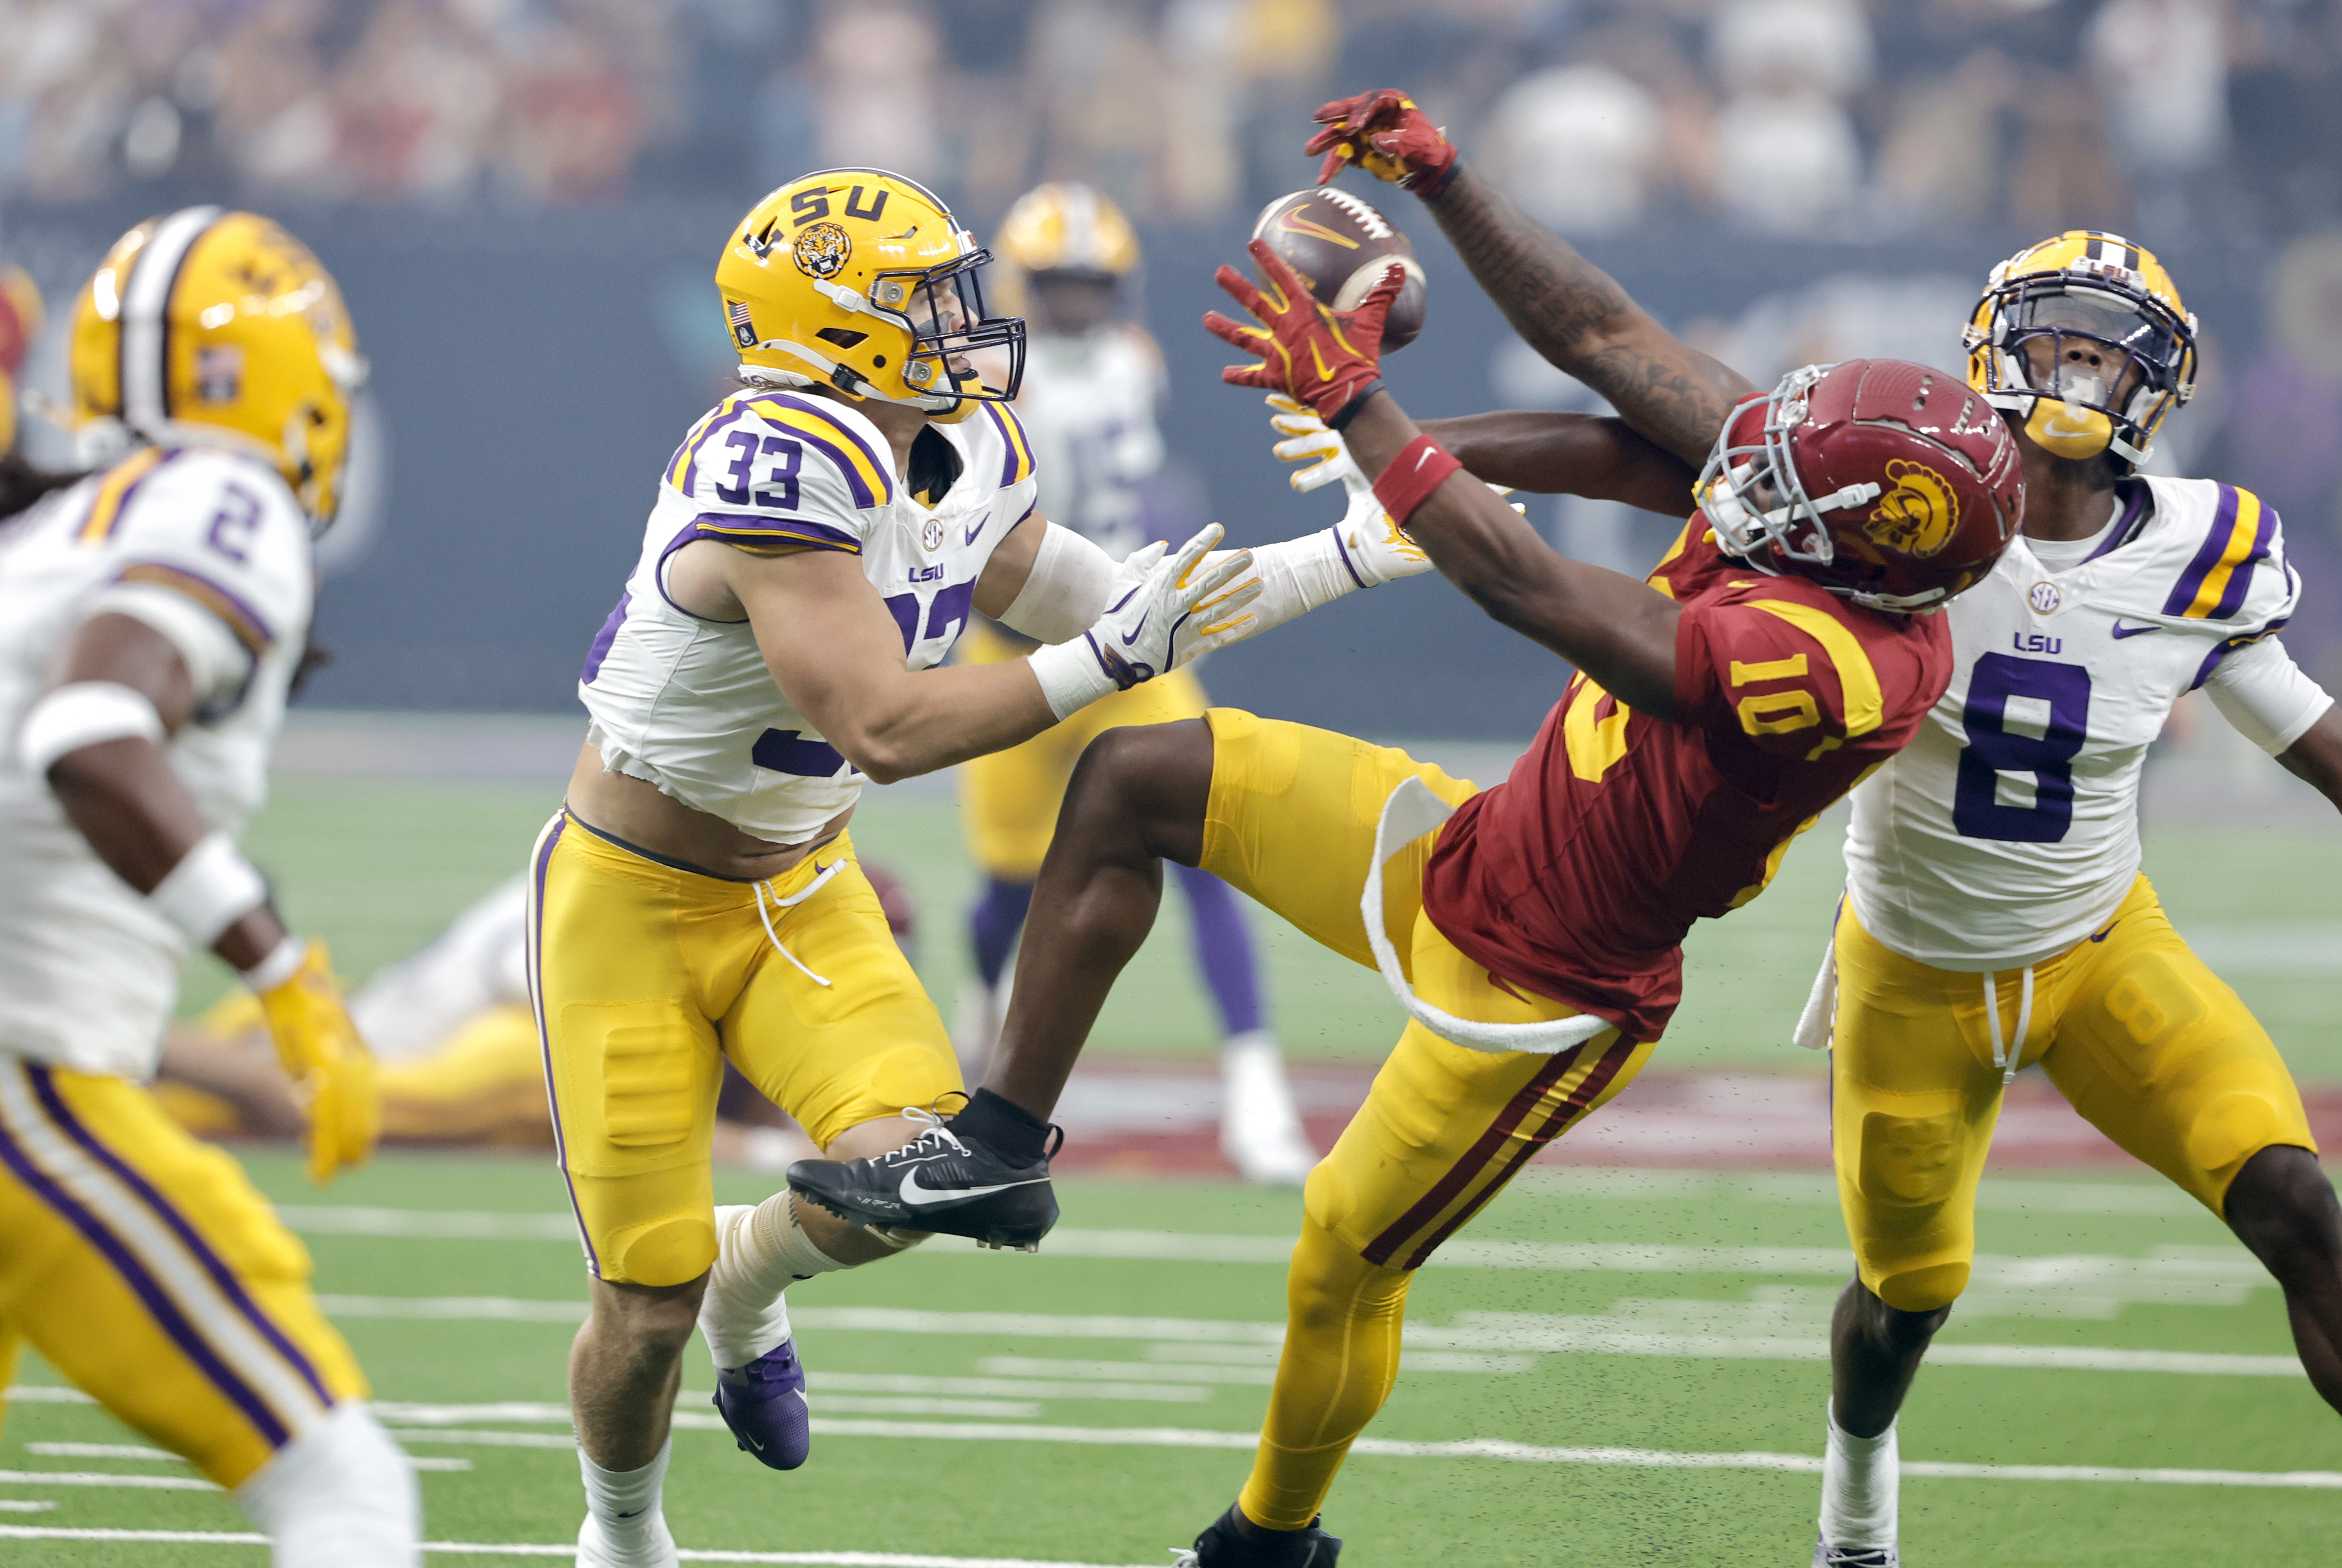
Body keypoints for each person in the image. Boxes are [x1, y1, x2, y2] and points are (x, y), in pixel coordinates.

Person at [786, 169, 2025, 1568]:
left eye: (1795, 470)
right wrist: (1423, 347)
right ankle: (1001, 1148)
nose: (1758, 463)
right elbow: (1622, 414)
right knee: (1135, 777)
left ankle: (1270, 1536)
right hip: (1471, 846)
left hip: (1543, 994)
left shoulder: (1843, 668)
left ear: (1869, 536)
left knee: (1340, 1259)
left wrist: (1367, 418)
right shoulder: (1839, 542)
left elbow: (1532, 591)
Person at [1270, 94, 2342, 1568]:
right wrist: (1445, 203)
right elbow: (1609, 356)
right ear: (1992, 348)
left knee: (2298, 1201)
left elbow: (2300, 722)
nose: (2079, 371)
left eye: (2109, 349)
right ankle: (1857, 1495)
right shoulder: (1884, 504)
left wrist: (1409, 430)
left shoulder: (2206, 547)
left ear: (2158, 384)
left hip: (2105, 947)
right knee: (1908, 1294)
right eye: (2058, 337)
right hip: (1914, 972)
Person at [540, 165, 1427, 1568]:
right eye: (924, 297)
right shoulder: (776, 460)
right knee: (639, 1306)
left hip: (799, 888)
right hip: (630, 900)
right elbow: (884, 724)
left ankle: (748, 1271)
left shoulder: (964, 439)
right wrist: (1105, 661)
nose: (964, 320)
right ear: (825, 328)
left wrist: (1351, 555)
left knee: (945, 1178)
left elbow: (1122, 603)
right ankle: (623, 1534)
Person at [0, 210, 416, 1565]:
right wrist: (277, 966)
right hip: (23, 1069)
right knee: (343, 1486)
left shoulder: (61, 522)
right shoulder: (220, 498)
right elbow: (89, 735)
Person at [958, 181, 1315, 1184]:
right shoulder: (1030, 375)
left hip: (1132, 637)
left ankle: (1257, 1091)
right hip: (1018, 651)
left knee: (1207, 858)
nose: (1074, 304)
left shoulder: (1103, 365)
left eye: (1090, 286)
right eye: (1058, 284)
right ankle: (979, 1012)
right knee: (1007, 886)